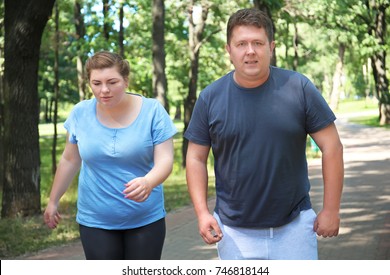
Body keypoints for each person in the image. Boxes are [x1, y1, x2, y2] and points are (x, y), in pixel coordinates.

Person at [184, 8, 344, 260]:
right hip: (234, 233)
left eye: (258, 43)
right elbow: (195, 158)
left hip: (295, 227)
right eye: (241, 44)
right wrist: (203, 213)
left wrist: (331, 209)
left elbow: (332, 147)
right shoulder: (210, 98)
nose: (250, 51)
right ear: (229, 49)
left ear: (271, 46)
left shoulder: (298, 87)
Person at [44, 51, 177, 260]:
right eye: (96, 83)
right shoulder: (80, 113)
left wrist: (148, 182)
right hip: (95, 221)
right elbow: (70, 160)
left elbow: (166, 160)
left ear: (125, 80)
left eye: (112, 82)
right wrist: (53, 201)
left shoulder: (153, 111)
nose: (104, 90)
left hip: (145, 219)